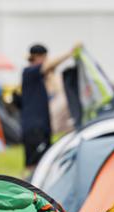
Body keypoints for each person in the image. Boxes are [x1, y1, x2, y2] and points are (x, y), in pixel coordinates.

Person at [21, 43, 80, 171]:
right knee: (33, 165)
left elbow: (58, 89)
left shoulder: (39, 78)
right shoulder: (29, 72)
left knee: (44, 163)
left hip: (42, 127)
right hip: (34, 128)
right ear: (38, 57)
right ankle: (27, 188)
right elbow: (49, 65)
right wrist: (70, 53)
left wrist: (51, 75)